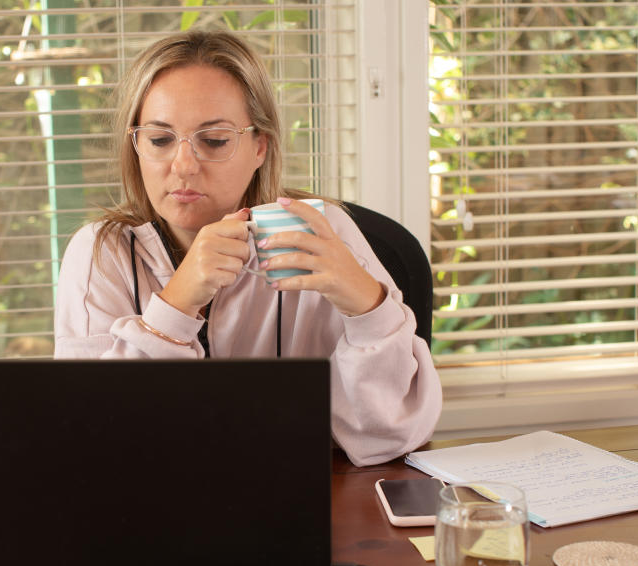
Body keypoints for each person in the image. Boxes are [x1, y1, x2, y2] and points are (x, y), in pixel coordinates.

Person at [53, 30, 441, 466]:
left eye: (214, 140)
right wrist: (177, 304)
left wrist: (368, 308)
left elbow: (389, 439)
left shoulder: (323, 231)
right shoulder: (101, 253)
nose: (182, 165)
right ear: (136, 146)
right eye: (160, 140)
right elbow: (92, 445)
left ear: (260, 146)